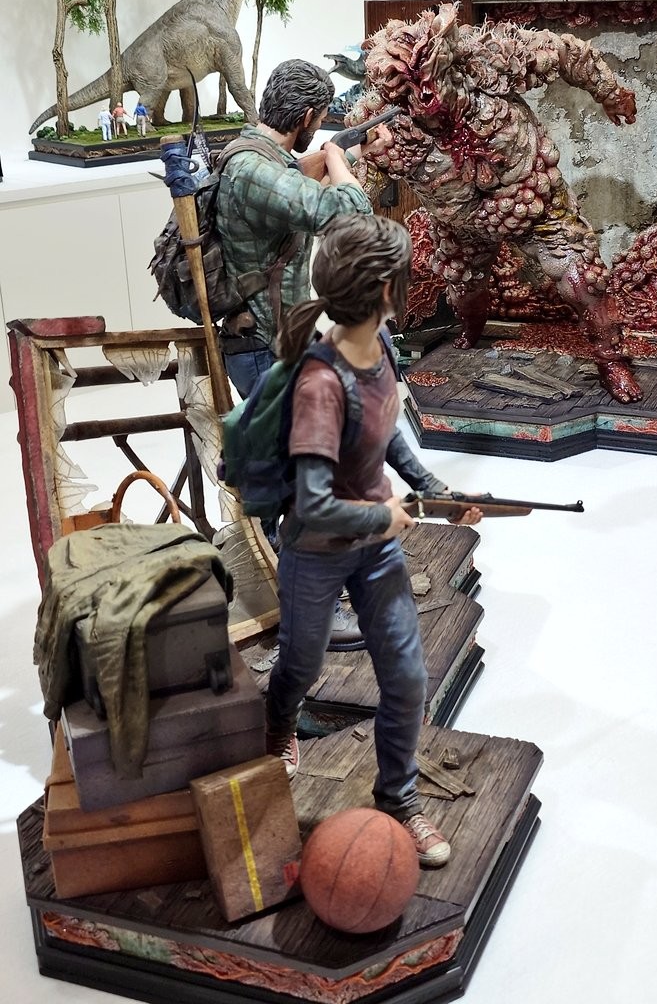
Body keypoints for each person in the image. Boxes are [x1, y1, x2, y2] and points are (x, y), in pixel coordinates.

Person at [264, 214, 483, 867]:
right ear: (386, 290)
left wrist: (434, 489)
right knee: (301, 665)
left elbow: (387, 433)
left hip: (375, 546)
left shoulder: (380, 344)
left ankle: (399, 799)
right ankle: (277, 726)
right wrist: (383, 518)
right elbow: (313, 503)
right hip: (316, 551)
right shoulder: (319, 384)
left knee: (407, 677)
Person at [216, 58, 384, 400]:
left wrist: (353, 155)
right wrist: (334, 156)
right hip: (266, 351)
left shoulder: (259, 157)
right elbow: (355, 216)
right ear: (307, 117)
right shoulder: (253, 170)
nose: (318, 125)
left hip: (277, 345)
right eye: (320, 119)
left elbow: (297, 197)